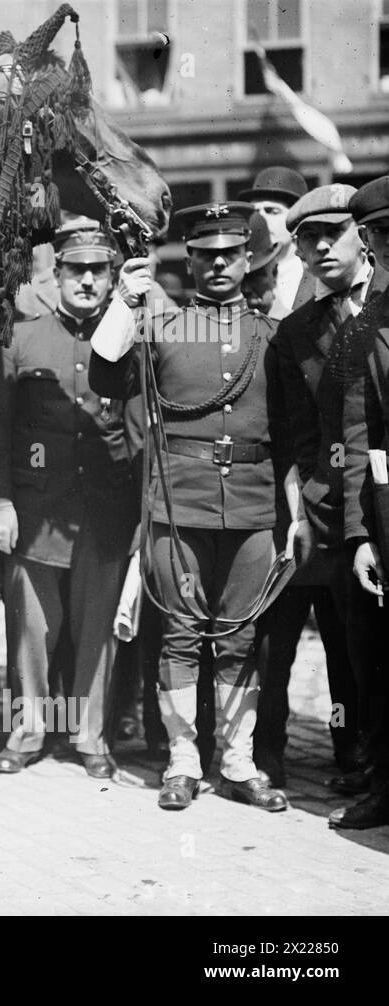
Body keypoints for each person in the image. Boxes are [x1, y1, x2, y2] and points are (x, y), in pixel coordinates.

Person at [89, 202, 292, 812]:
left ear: (249, 259)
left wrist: (293, 516)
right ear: (192, 261)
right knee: (180, 634)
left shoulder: (270, 335)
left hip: (252, 505)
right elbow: (105, 375)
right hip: (181, 501)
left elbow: (294, 429)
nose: (220, 264)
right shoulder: (167, 326)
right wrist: (125, 303)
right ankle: (182, 760)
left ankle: (237, 761)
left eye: (231, 254)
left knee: (239, 634)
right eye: (206, 255)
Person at [0, 218, 139, 779]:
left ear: (112, 277)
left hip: (103, 507)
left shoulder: (127, 340)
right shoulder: (22, 338)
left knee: (96, 628)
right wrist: (0, 503)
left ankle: (91, 736)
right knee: (31, 628)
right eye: (78, 270)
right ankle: (27, 732)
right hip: (35, 509)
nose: (89, 281)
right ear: (59, 273)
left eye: (100, 271)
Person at [256, 186, 379, 793]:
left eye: (334, 233)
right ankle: (358, 760)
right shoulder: (295, 333)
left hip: (383, 506)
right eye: (308, 238)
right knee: (351, 647)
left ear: (364, 237)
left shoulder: (386, 304)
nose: (323, 245)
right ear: (297, 252)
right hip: (328, 512)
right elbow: (294, 434)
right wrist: (302, 505)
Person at [331, 175, 389, 829]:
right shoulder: (367, 327)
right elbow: (356, 431)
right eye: (382, 236)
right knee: (380, 657)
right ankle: (385, 782)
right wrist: (361, 533)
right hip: (386, 506)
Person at [241, 166, 314, 316]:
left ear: (297, 219)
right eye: (255, 212)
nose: (260, 219)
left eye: (271, 211)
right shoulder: (242, 272)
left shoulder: (317, 273)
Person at [241, 211, 284, 319]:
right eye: (239, 279)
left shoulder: (294, 329)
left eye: (255, 277)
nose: (246, 289)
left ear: (274, 274)